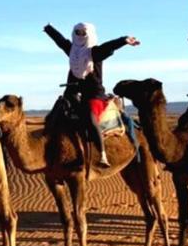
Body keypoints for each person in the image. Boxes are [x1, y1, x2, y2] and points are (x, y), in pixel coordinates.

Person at [44, 22, 140, 167]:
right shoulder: (72, 51)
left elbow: (109, 46)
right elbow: (61, 41)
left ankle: (102, 155)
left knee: (89, 118)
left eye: (84, 32)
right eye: (78, 32)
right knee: (56, 115)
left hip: (94, 95)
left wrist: (124, 40)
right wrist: (49, 29)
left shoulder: (94, 52)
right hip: (74, 92)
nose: (81, 35)